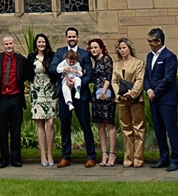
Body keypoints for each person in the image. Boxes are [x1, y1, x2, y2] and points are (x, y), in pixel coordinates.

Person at [54, 27, 97, 168]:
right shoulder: (60, 52)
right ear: (66, 38)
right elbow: (53, 69)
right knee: (65, 127)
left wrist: (77, 84)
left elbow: (89, 75)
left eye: (74, 36)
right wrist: (65, 73)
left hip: (81, 96)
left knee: (85, 126)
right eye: (69, 36)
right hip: (64, 96)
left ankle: (91, 156)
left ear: (77, 37)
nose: (71, 38)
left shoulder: (84, 54)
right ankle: (66, 156)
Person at [0, 34, 29, 168]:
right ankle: (4, 158)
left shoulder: (21, 59)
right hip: (2, 99)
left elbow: (26, 75)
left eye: (11, 44)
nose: (9, 46)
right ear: (3, 45)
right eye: (6, 44)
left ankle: (16, 158)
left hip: (16, 98)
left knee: (16, 130)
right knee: (2, 130)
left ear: (14, 44)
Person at [144, 27, 178, 172]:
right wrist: (148, 89)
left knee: (171, 130)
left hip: (166, 99)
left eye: (151, 41)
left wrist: (156, 92)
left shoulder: (169, 56)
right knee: (158, 130)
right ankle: (163, 157)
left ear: (159, 41)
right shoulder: (149, 56)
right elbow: (147, 76)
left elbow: (168, 78)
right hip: (153, 99)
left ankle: (175, 159)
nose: (149, 44)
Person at [114, 36, 147, 168]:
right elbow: (114, 81)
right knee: (126, 129)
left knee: (138, 128)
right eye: (120, 48)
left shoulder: (138, 63)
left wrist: (132, 93)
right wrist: (119, 94)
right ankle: (128, 158)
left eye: (124, 48)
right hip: (121, 100)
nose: (122, 50)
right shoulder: (116, 64)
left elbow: (140, 80)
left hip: (135, 99)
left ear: (129, 48)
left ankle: (138, 158)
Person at [28, 33, 59, 167]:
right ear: (35, 44)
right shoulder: (31, 57)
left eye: (43, 42)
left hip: (50, 90)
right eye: (39, 42)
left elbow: (57, 71)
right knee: (40, 123)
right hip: (37, 91)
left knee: (50, 122)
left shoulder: (52, 56)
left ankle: (50, 153)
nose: (41, 44)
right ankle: (42, 155)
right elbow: (27, 73)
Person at [87, 37, 117, 166]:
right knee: (100, 125)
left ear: (101, 48)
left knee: (109, 124)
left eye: (95, 47)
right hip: (97, 96)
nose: (93, 50)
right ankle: (104, 153)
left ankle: (112, 154)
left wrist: (104, 92)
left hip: (106, 95)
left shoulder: (106, 59)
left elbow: (108, 76)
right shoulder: (95, 61)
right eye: (91, 48)